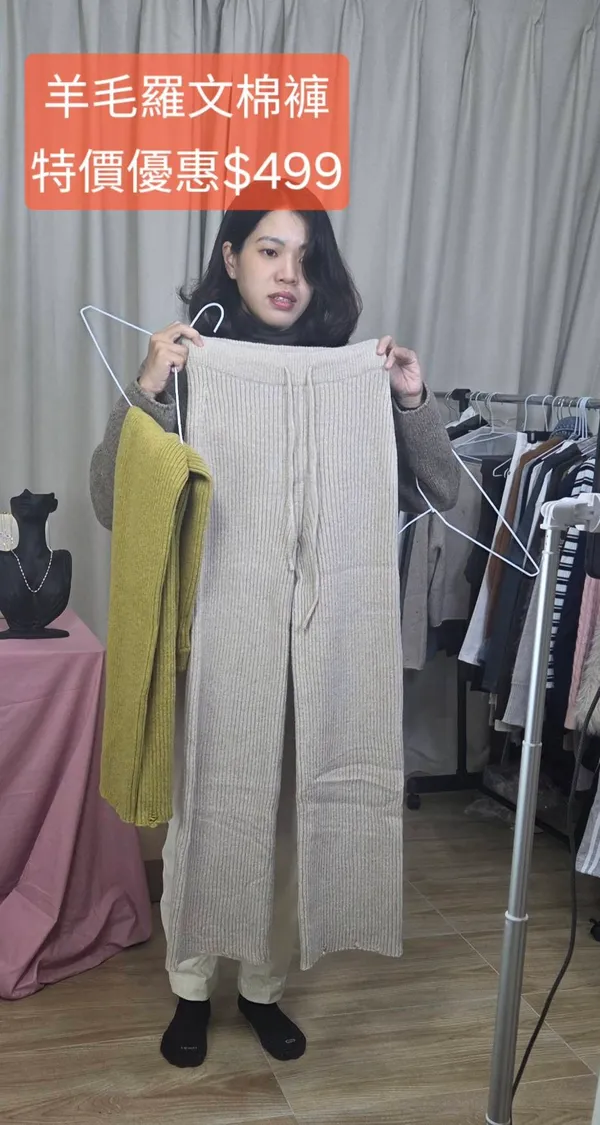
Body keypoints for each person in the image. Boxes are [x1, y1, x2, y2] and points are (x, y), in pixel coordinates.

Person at [90, 184, 460, 1070]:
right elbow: (111, 501)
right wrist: (149, 389)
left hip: (328, 624)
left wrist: (410, 399)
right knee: (210, 804)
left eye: (304, 256)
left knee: (298, 812)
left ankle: (262, 987)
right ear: (231, 257)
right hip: (221, 615)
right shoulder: (191, 367)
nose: (288, 273)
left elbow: (445, 492)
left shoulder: (351, 378)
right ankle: (191, 987)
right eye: (268, 250)